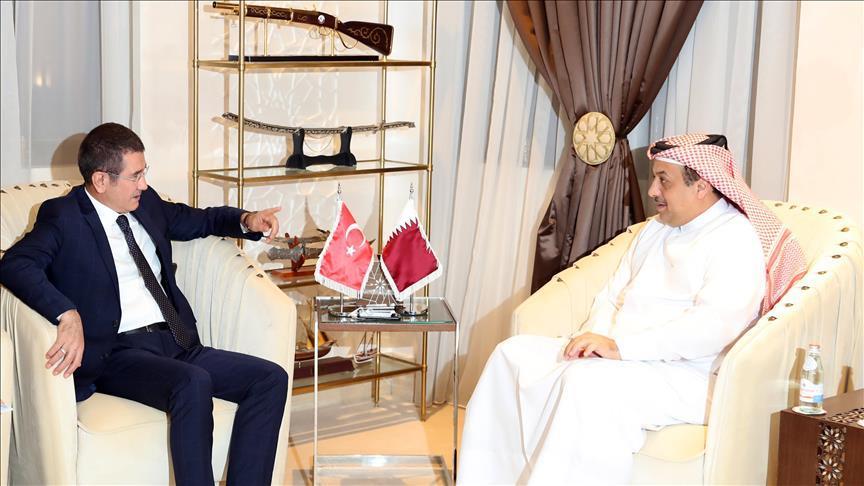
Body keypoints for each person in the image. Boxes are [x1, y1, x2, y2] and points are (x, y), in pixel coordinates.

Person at [457, 133, 806, 485]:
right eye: (654, 178)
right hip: (623, 356)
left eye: (664, 181)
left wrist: (620, 349)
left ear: (701, 185)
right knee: (511, 354)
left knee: (586, 382)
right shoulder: (656, 229)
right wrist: (592, 341)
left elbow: (713, 328)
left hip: (690, 375)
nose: (652, 190)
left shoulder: (735, 239)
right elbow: (612, 296)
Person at [0, 123, 289, 485]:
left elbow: (199, 220)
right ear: (101, 180)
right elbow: (16, 264)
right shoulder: (63, 216)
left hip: (177, 341)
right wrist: (67, 313)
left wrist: (246, 220)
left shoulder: (146, 204)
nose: (144, 184)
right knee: (193, 383)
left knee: (269, 379)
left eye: (144, 172)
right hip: (118, 352)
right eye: (135, 176)